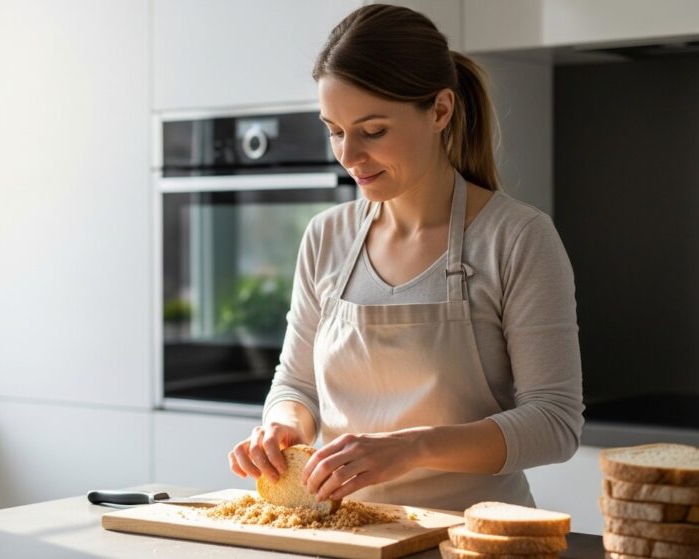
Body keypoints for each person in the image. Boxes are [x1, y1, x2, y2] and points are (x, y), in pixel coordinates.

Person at [228, 3, 584, 511]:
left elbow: (554, 422)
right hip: (347, 532)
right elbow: (297, 383)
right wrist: (283, 424)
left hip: (472, 534)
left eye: (373, 131)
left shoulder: (517, 238)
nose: (348, 156)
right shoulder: (326, 236)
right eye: (334, 130)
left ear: (440, 111)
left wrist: (412, 448)